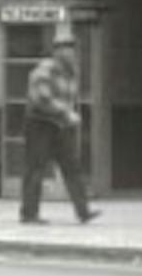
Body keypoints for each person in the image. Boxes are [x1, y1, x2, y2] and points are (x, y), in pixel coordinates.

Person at [20, 30, 99, 225]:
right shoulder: (45, 70)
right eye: (65, 48)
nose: (70, 52)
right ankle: (29, 214)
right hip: (40, 124)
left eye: (72, 48)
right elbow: (41, 98)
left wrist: (66, 116)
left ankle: (83, 211)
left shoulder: (71, 72)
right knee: (35, 169)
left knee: (72, 167)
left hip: (61, 126)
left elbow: (69, 98)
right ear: (56, 51)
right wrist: (66, 113)